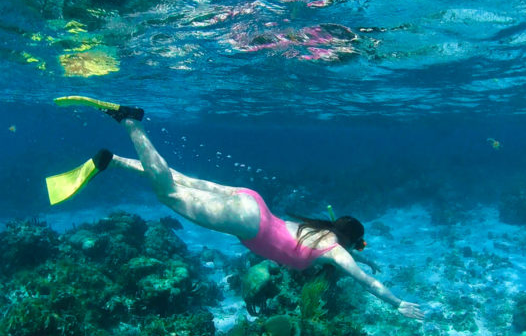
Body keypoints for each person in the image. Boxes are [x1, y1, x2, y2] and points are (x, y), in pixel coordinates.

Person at [46, 96, 424, 320]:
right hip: (248, 224)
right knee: (170, 194)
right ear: (349, 241)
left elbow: (360, 264)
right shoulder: (334, 252)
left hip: (252, 202)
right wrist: (397, 303)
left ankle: (113, 161)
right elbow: (366, 281)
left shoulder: (324, 231)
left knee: (181, 180)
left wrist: (366, 257)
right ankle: (129, 120)